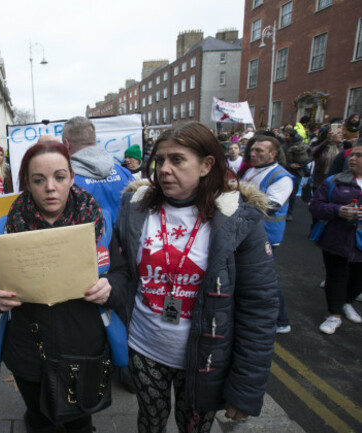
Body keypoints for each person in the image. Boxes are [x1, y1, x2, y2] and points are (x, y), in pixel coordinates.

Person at [102, 121, 278, 433]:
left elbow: (259, 308)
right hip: (145, 347)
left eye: (177, 160)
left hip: (205, 360)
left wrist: (246, 388)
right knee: (150, 422)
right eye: (159, 161)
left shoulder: (238, 220)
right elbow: (123, 273)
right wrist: (106, 287)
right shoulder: (135, 207)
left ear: (206, 165)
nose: (164, 170)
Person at [0, 140, 109, 433]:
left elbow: (124, 275)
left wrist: (110, 287)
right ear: (27, 182)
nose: (50, 187)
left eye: (59, 177)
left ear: (71, 178)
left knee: (80, 419)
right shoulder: (8, 225)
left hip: (83, 346)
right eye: (39, 180)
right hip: (29, 349)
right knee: (39, 418)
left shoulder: (99, 221)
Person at [62, 116, 135, 393]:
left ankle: (98, 370)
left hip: (89, 262)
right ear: (95, 140)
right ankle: (127, 371)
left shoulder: (68, 179)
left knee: (95, 319)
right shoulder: (124, 172)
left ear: (67, 143)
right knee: (125, 313)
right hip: (126, 260)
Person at [241, 136, 294, 334]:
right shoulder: (251, 170)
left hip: (267, 236)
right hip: (248, 232)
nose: (253, 154)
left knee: (264, 280)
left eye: (259, 151)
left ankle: (282, 321)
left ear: (273, 154)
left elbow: (269, 207)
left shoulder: (282, 177)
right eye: (252, 150)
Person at [308, 141, 362, 334]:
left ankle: (347, 302)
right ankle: (334, 314)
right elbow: (315, 206)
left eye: (358, 155)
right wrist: (339, 210)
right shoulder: (334, 181)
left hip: (360, 241)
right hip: (336, 238)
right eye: (352, 155)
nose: (352, 158)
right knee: (336, 277)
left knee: (358, 278)